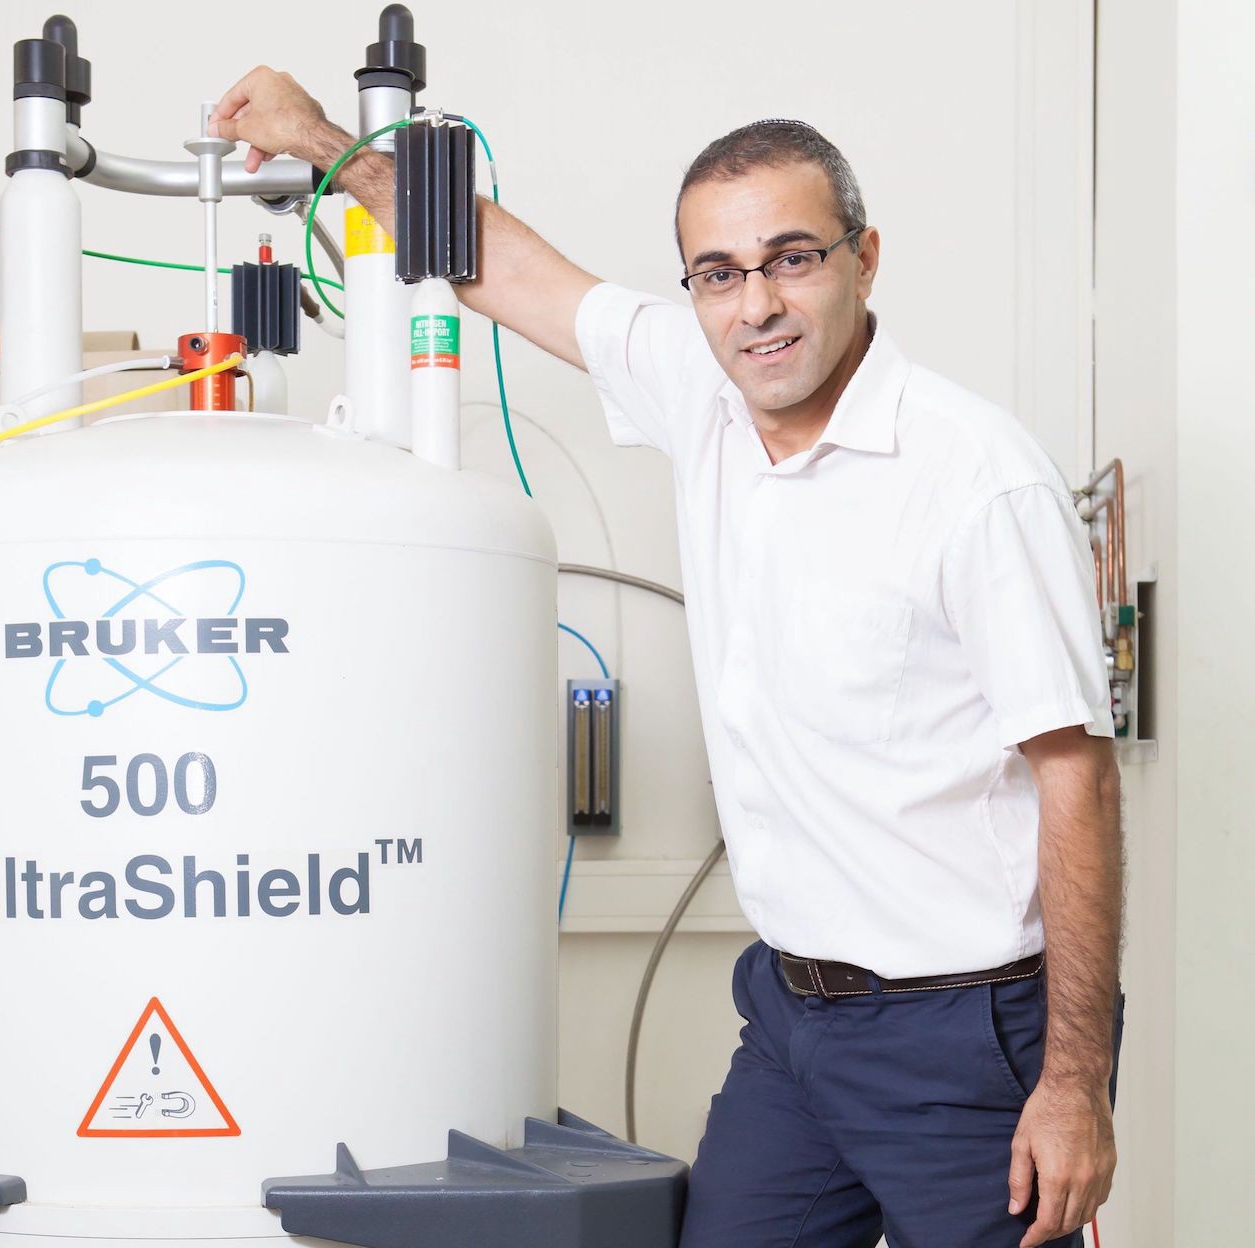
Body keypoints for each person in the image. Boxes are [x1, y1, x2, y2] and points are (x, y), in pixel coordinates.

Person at [208, 68, 1124, 1248]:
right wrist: (323, 140)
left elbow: (1077, 779)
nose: (758, 305)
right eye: (719, 273)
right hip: (792, 1019)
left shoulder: (975, 480)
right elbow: (504, 263)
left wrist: (1073, 1083)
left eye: (794, 258)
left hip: (962, 1035)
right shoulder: (703, 387)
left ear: (864, 258)